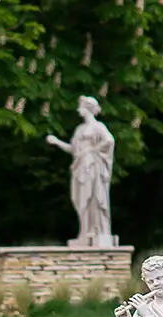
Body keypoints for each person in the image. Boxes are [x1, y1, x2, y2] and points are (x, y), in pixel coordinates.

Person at [46, 96, 115, 247]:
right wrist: (57, 142)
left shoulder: (98, 127)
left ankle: (97, 231)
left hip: (93, 167)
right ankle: (85, 231)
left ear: (88, 109)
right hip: (81, 167)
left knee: (94, 197)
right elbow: (73, 149)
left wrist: (92, 150)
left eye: (81, 107)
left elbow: (109, 141)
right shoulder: (80, 129)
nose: (79, 110)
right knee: (80, 198)